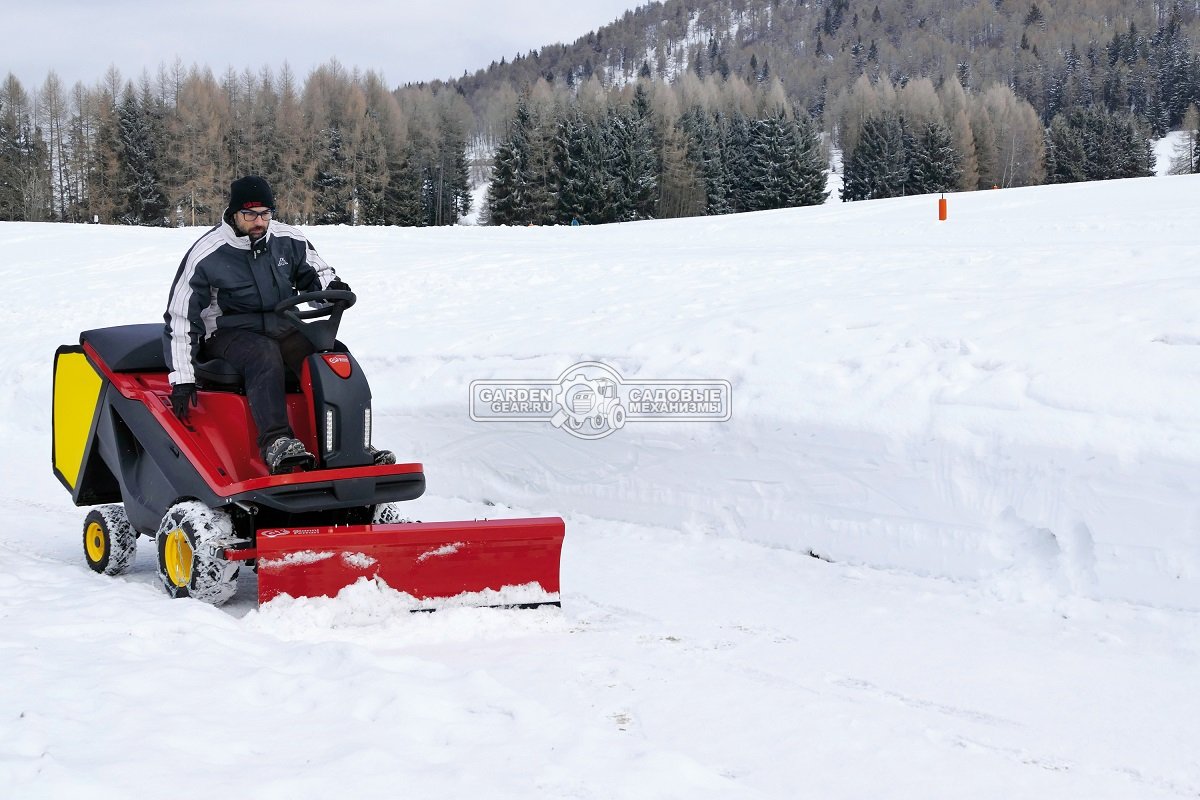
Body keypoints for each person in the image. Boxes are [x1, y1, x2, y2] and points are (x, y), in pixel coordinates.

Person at [163, 175, 395, 474]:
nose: (259, 222)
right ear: (234, 214)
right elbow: (181, 316)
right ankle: (276, 442)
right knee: (263, 353)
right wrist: (182, 377)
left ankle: (350, 445)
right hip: (226, 333)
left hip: (281, 325)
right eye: (250, 214)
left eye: (265, 213)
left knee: (331, 354)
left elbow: (317, 273)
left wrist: (332, 287)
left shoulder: (289, 239)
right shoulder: (208, 253)